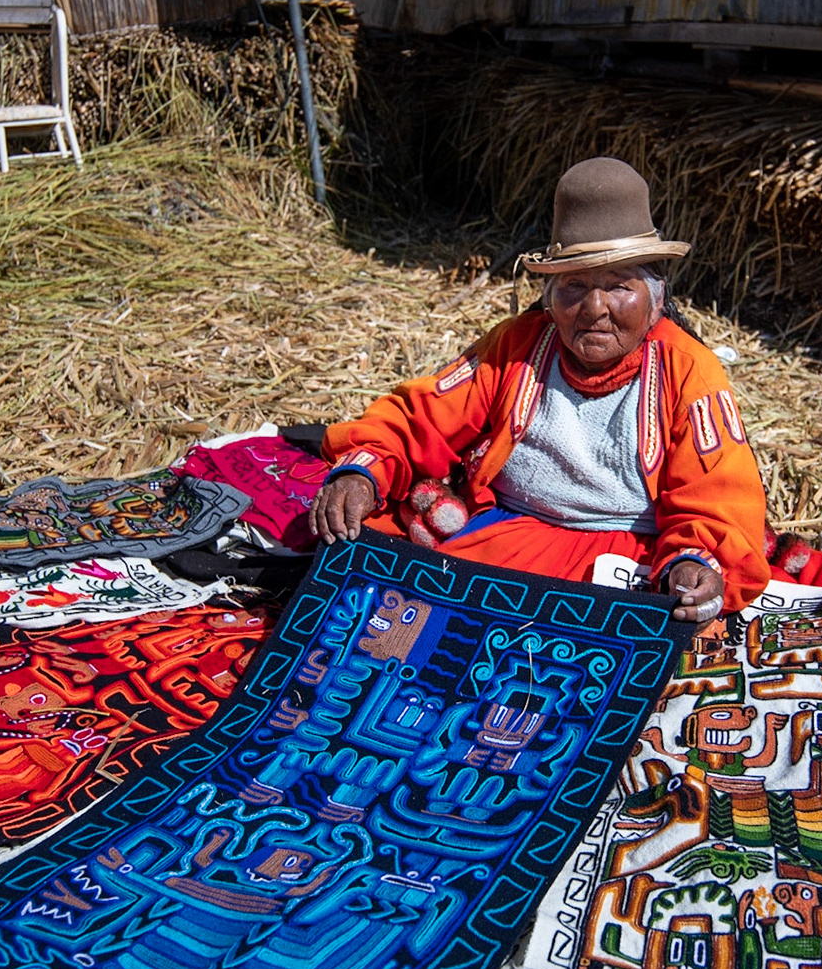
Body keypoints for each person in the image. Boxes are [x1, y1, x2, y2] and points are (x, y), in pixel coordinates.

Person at [311, 157, 778, 623]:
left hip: (629, 558)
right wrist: (363, 472)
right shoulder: (517, 344)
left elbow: (719, 495)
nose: (595, 308)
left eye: (618, 286)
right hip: (508, 540)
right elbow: (422, 416)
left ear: (656, 300)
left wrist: (694, 562)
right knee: (376, 596)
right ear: (550, 299)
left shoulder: (688, 370)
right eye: (574, 285)